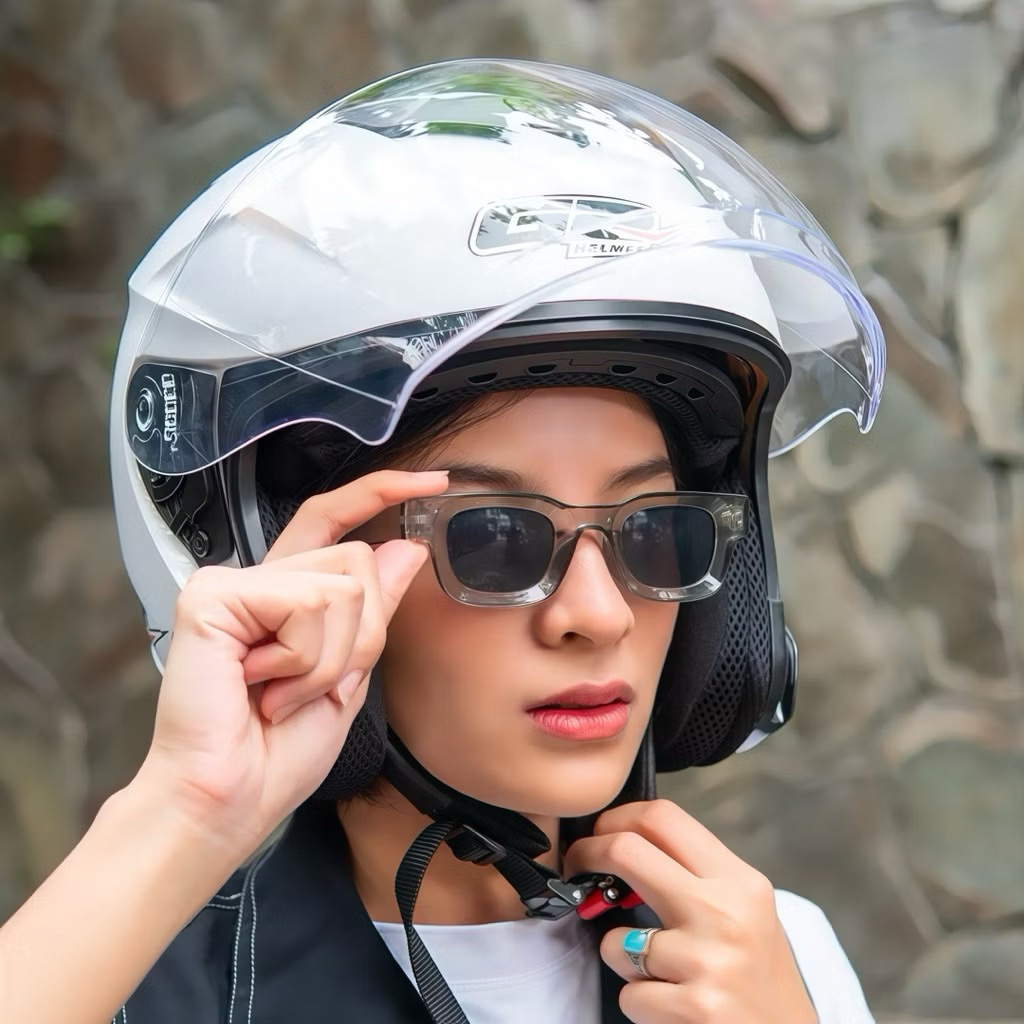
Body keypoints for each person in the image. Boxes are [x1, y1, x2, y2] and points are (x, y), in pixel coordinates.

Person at [0, 59, 885, 1024]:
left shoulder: (770, 959)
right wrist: (188, 809)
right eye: (496, 538)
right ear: (299, 571)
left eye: (652, 530)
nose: (597, 615)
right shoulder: (134, 993)